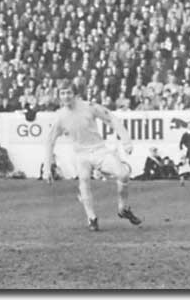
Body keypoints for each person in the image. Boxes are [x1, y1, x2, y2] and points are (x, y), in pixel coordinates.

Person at [44, 80, 141, 231]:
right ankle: (92, 219)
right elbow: (50, 141)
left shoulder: (89, 107)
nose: (66, 96)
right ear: (59, 96)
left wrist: (126, 141)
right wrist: (47, 167)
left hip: (99, 150)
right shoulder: (60, 117)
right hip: (81, 154)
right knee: (84, 180)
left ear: (75, 94)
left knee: (123, 174)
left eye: (69, 92)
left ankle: (123, 209)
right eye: (62, 93)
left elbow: (111, 118)